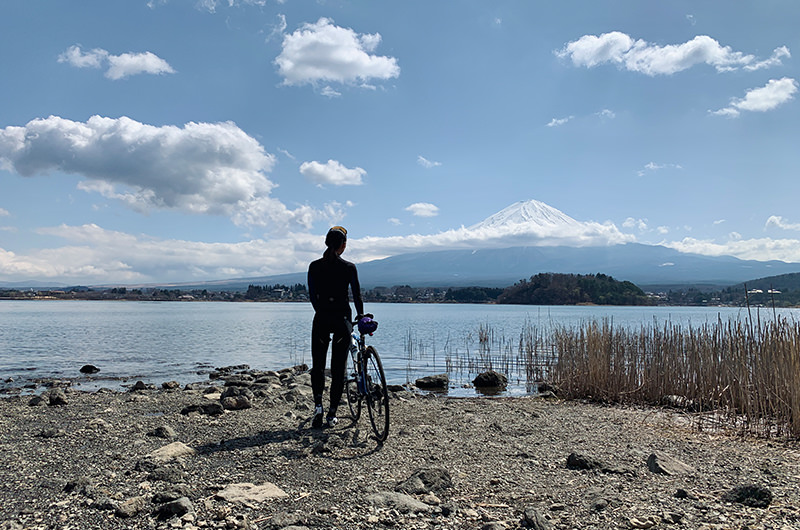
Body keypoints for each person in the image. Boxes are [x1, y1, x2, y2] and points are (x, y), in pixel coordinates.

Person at [307, 226, 365, 428]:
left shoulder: (314, 266)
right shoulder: (349, 267)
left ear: (326, 243)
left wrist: (322, 310)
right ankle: (332, 414)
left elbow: (313, 297)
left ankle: (318, 409)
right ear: (343, 245)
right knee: (338, 369)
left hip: (322, 318)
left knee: (318, 366)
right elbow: (356, 296)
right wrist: (361, 315)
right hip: (342, 320)